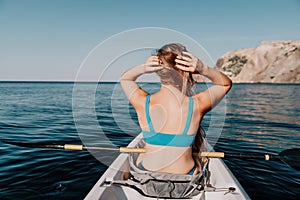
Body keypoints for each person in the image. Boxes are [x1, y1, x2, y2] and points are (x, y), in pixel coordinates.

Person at [120, 43, 232, 175]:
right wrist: (203, 69)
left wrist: (143, 68)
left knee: (139, 160)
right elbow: (225, 83)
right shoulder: (197, 104)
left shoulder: (143, 102)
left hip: (148, 179)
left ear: (159, 71)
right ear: (187, 70)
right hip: (184, 181)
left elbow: (126, 79)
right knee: (198, 160)